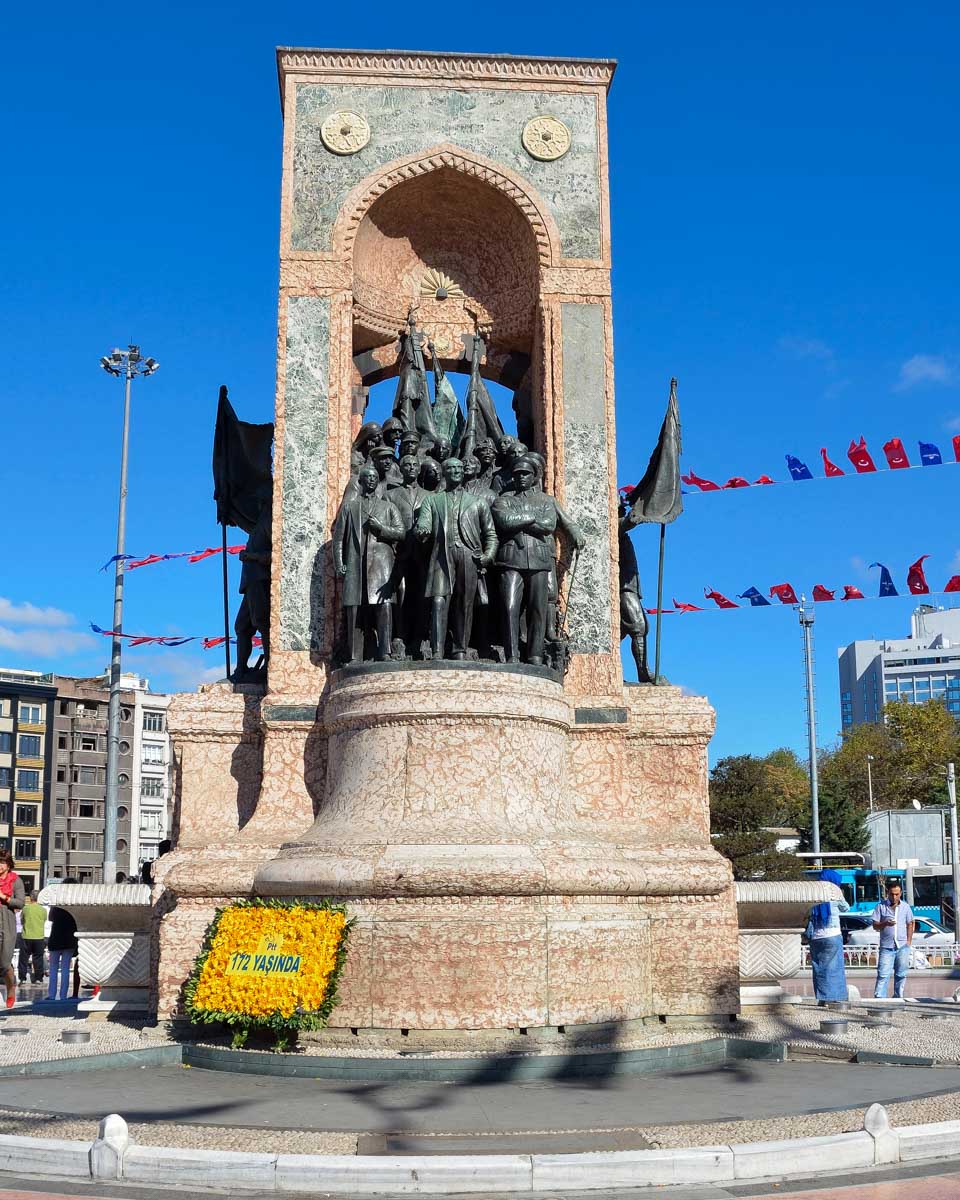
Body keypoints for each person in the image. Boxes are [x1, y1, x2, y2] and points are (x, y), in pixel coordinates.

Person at [492, 456, 584, 665]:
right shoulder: (503, 499)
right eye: (516, 474)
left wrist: (521, 520)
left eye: (525, 474)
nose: (521, 477)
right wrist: (532, 518)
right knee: (509, 606)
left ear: (534, 477)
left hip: (539, 559)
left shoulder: (546, 500)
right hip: (511, 559)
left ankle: (535, 655)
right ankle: (511, 655)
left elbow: (549, 525)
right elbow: (505, 521)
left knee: (538, 609)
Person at [415, 457, 498, 660]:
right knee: (438, 601)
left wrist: (488, 556)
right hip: (441, 555)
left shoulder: (477, 502)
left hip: (468, 556)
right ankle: (437, 650)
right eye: (451, 468)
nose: (456, 472)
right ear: (444, 472)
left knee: (464, 603)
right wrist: (422, 530)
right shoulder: (432, 500)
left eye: (459, 468)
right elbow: (422, 524)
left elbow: (491, 534)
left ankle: (460, 648)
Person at [332, 463, 403, 663]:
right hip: (355, 563)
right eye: (367, 477)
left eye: (374, 477)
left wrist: (381, 529)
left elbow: (401, 532)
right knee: (354, 609)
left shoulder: (388, 507)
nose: (371, 479)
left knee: (384, 608)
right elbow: (339, 538)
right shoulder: (350, 508)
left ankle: (385, 652)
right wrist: (339, 563)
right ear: (360, 481)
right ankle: (355, 655)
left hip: (381, 565)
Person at [806, 868, 850, 1004]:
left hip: (816, 936)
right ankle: (835, 998)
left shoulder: (812, 891)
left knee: (819, 967)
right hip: (832, 934)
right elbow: (846, 908)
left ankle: (822, 998)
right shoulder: (834, 891)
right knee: (834, 967)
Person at [872, 879, 915, 1000]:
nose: (894, 897)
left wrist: (908, 942)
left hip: (902, 946)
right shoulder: (881, 906)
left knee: (901, 974)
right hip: (887, 946)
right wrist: (885, 923)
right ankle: (879, 998)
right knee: (883, 974)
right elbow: (875, 925)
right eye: (892, 894)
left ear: (901, 893)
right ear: (888, 893)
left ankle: (898, 996)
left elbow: (910, 923)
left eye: (897, 894)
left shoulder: (905, 907)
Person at [46, 884, 79, 1002]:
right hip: (69, 938)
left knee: (53, 967)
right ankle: (64, 995)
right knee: (65, 968)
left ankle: (51, 995)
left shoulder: (57, 902)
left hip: (56, 937)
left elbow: (50, 918)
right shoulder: (76, 903)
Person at [0, 852, 25, 1008]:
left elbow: (21, 903)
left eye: (2, 863)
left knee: (4, 962)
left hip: (7, 920)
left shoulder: (16, 881)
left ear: (8, 865)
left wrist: (5, 898)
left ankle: (11, 989)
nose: (0, 865)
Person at [18, 890, 46, 986]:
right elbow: (44, 920)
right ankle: (38, 978)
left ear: (30, 898)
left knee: (23, 958)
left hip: (27, 936)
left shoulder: (25, 909)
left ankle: (22, 978)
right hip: (39, 936)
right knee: (38, 958)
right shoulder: (43, 910)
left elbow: (22, 920)